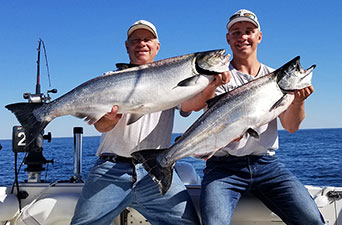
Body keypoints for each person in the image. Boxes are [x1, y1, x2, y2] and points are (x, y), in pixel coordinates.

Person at [70, 19, 229, 225]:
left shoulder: (173, 76)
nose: (141, 43)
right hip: (111, 170)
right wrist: (109, 120)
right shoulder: (109, 78)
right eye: (135, 40)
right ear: (127, 46)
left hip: (155, 170)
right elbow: (101, 126)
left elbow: (191, 105)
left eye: (147, 39)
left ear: (157, 46)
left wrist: (212, 84)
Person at [184, 9, 325, 225]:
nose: (243, 37)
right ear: (228, 39)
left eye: (249, 31)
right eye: (236, 32)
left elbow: (291, 126)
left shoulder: (274, 78)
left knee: (312, 220)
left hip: (267, 165)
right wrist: (228, 135)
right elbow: (213, 126)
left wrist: (298, 101)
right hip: (223, 168)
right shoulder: (219, 79)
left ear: (259, 36)